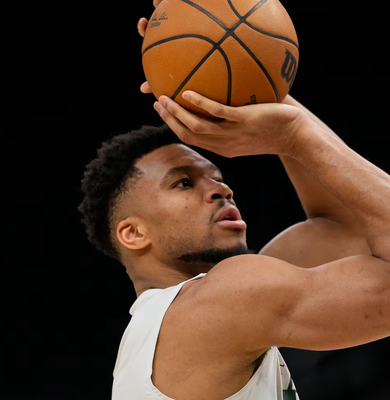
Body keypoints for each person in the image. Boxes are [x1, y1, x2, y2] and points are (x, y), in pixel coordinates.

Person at [77, 5, 390, 400]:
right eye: (183, 183)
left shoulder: (180, 318)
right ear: (134, 233)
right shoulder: (222, 301)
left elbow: (343, 226)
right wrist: (295, 137)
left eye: (218, 178)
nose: (221, 190)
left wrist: (252, 72)